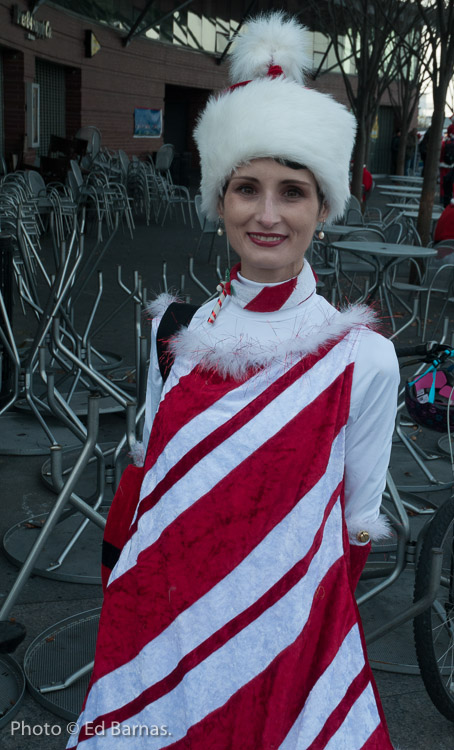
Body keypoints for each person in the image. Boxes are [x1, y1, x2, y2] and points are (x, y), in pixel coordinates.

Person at [68, 13, 399, 749]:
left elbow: (356, 529)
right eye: (247, 188)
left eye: (294, 191)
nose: (269, 214)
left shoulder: (363, 359)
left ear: (324, 207)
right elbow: (150, 484)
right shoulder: (172, 335)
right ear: (219, 202)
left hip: (285, 651)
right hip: (162, 635)